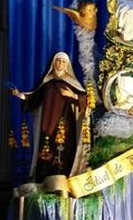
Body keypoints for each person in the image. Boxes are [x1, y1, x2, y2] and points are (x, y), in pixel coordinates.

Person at [11, 52, 89, 181]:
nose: (60, 64)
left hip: (65, 124)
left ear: (67, 65)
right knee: (46, 151)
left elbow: (86, 100)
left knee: (64, 152)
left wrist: (73, 96)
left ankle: (62, 181)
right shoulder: (47, 83)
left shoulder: (71, 83)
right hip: (48, 123)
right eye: (58, 61)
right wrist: (21, 96)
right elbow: (34, 98)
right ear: (53, 63)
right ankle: (45, 183)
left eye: (63, 62)